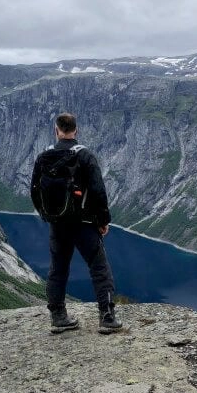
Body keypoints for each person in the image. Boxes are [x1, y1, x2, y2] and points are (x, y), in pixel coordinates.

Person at [30, 112, 123, 334]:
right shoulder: (86, 156)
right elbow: (99, 191)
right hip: (84, 224)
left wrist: (46, 215)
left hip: (58, 225)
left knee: (58, 268)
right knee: (99, 267)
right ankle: (107, 317)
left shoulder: (44, 158)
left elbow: (34, 190)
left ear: (56, 130)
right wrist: (103, 221)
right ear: (76, 130)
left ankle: (58, 317)